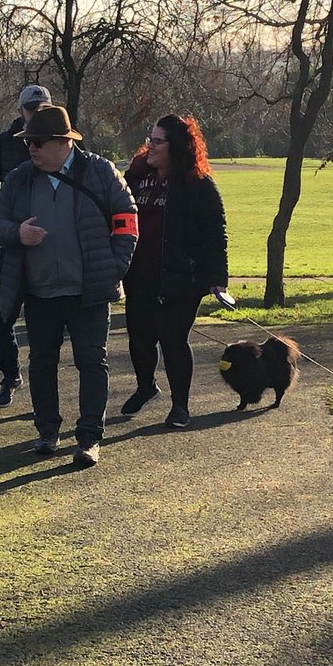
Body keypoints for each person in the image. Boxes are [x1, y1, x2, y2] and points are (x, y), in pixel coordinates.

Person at [0, 104, 138, 468]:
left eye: (37, 142)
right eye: (28, 142)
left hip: (89, 293)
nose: (31, 149)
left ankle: (89, 438)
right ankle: (47, 432)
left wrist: (112, 269)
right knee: (41, 363)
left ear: (62, 143)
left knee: (91, 362)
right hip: (39, 293)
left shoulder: (101, 172)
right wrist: (16, 233)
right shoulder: (21, 178)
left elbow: (128, 222)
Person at [120, 113, 229, 429]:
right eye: (149, 139)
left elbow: (215, 232)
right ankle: (146, 387)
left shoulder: (198, 185)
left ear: (177, 146)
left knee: (173, 340)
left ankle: (180, 406)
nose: (150, 146)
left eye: (157, 141)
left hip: (181, 279)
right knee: (139, 338)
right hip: (139, 275)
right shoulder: (137, 176)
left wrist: (217, 281)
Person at [0, 83, 51, 407]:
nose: (36, 114)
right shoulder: (3, 145)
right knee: (2, 318)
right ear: (21, 112)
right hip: (12, 248)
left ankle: (41, 391)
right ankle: (10, 377)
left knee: (42, 324)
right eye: (30, 109)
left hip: (50, 251)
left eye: (41, 108)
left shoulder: (61, 142)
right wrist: (3, 230)